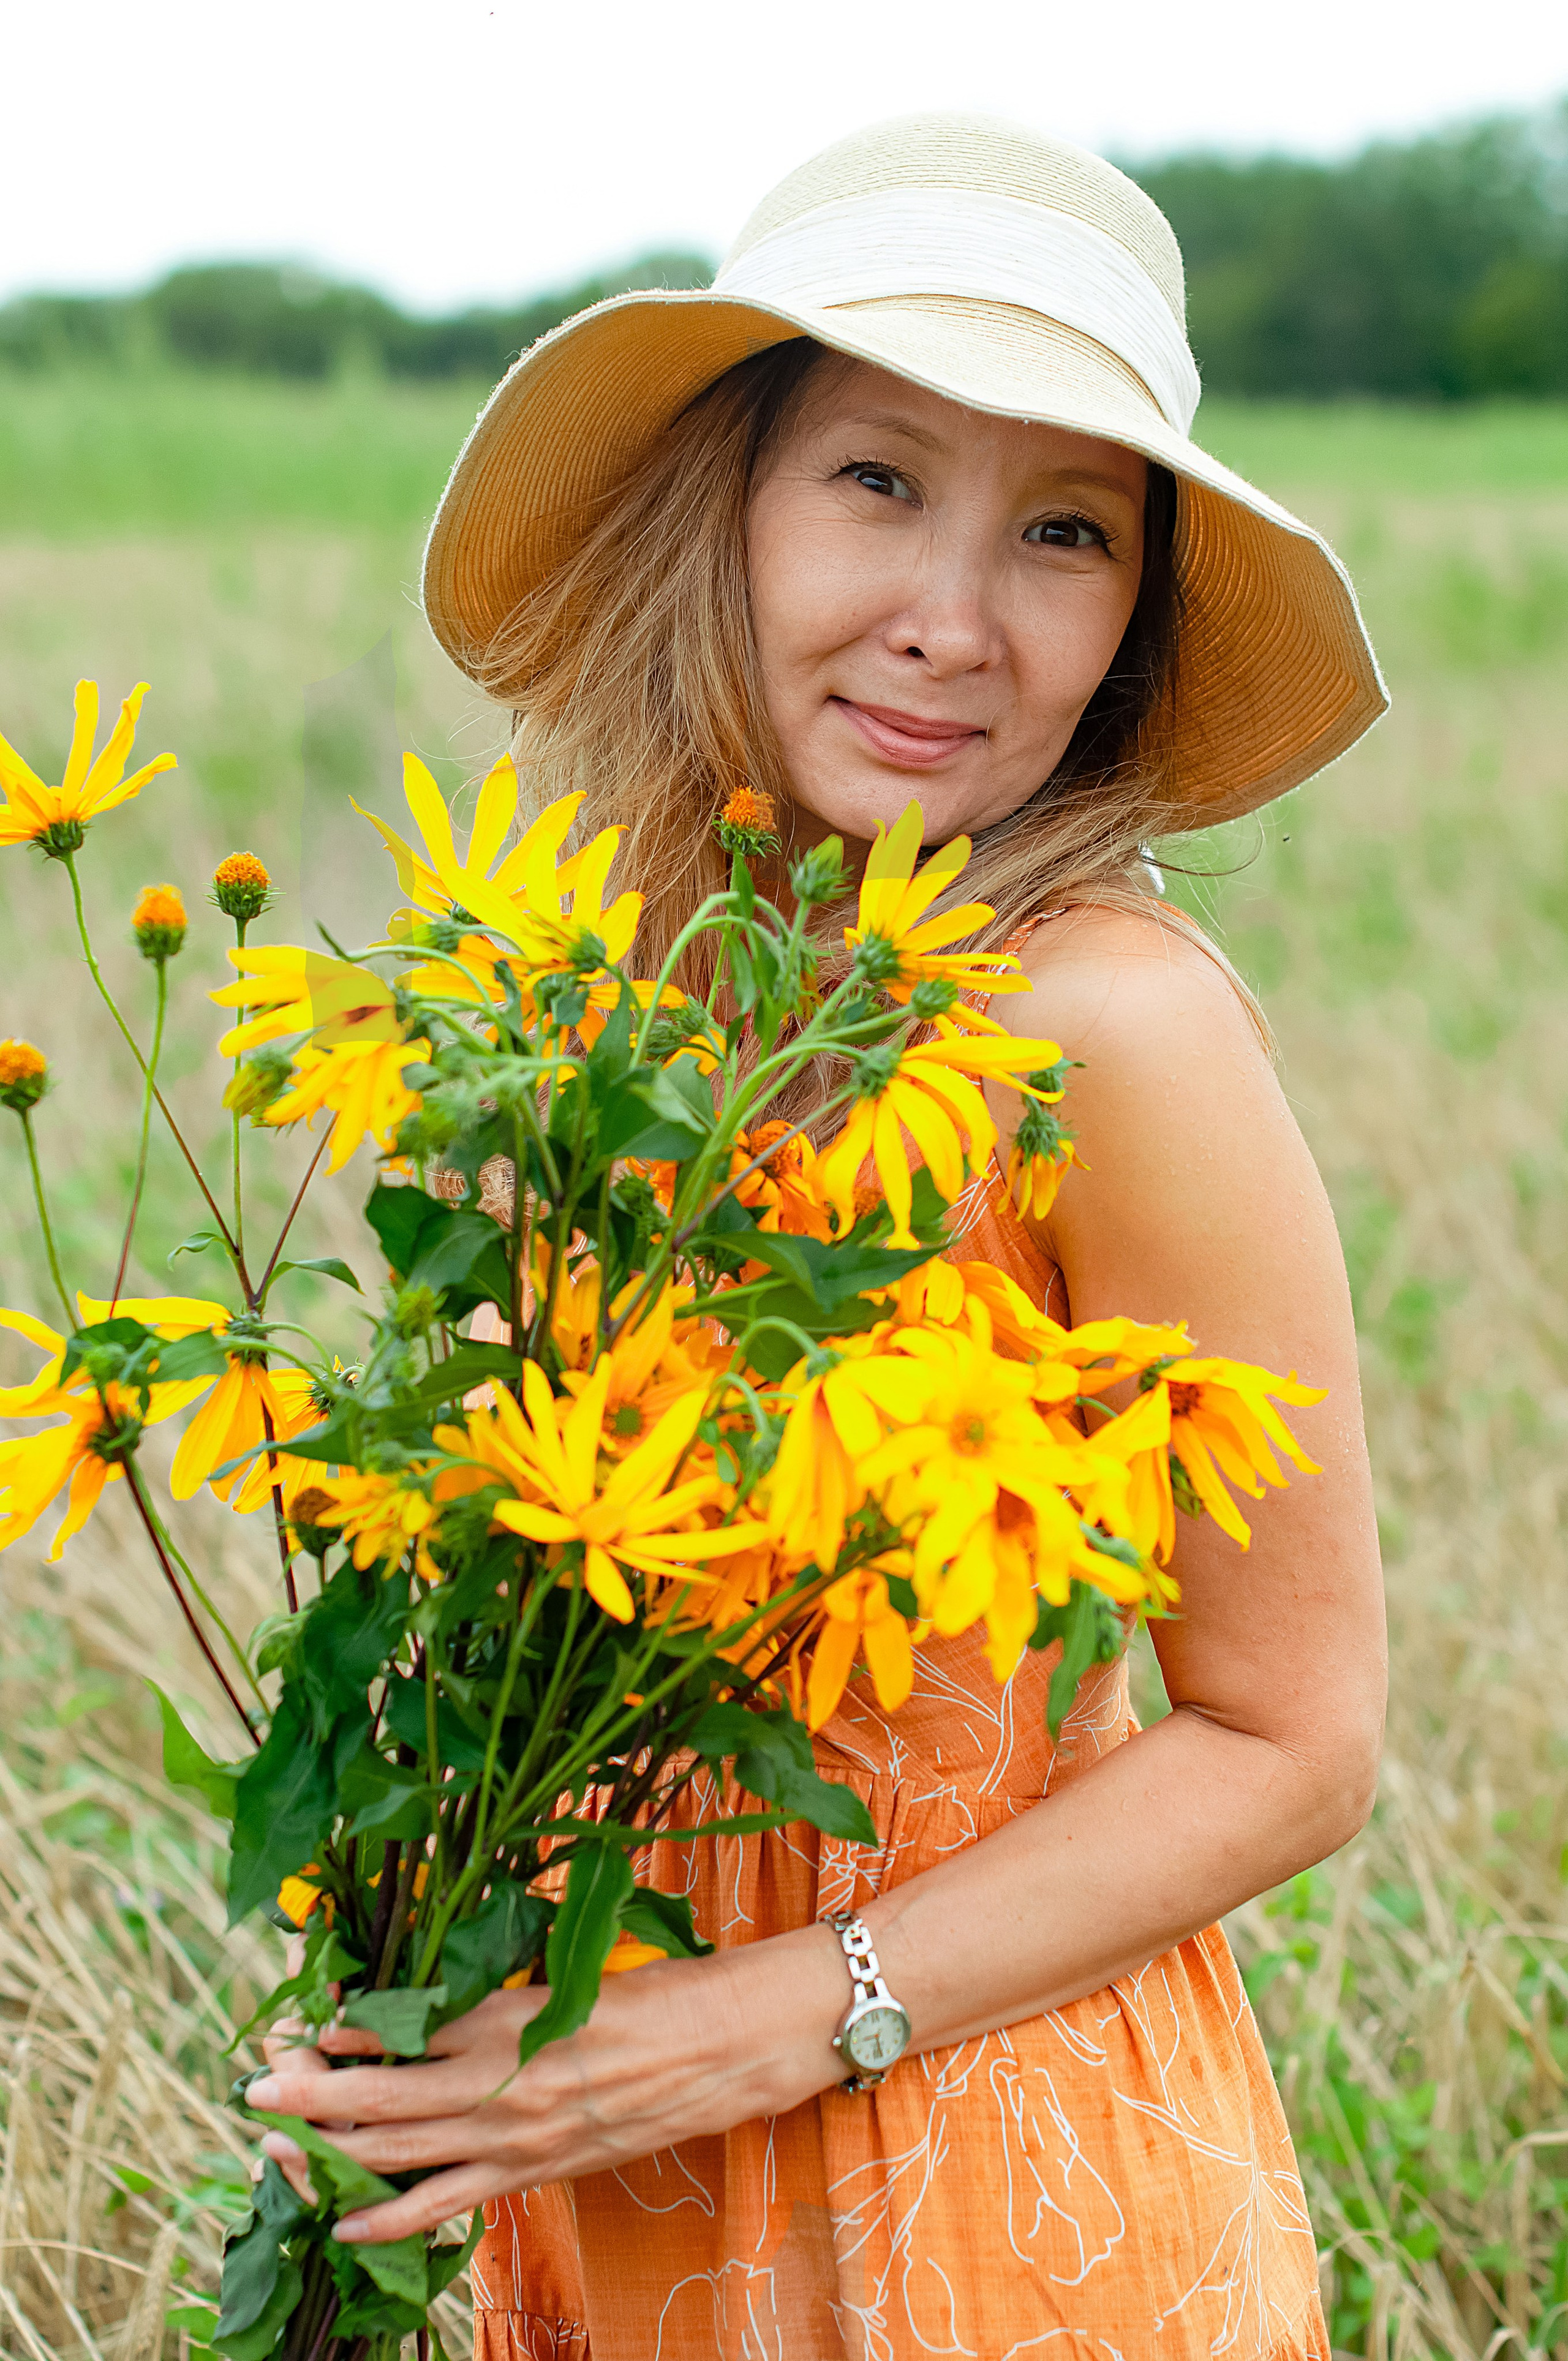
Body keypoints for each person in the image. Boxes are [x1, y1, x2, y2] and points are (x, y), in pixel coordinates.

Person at [250, 113, 1389, 2361]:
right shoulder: (576, 1004)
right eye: (878, 479)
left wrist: (768, 2021)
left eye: (1064, 530)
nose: (954, 621)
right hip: (594, 2159)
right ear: (730, 503)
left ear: (1131, 622)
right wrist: (400, 1981)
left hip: (984, 2187)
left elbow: (1297, 1738)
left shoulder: (1102, 1029)